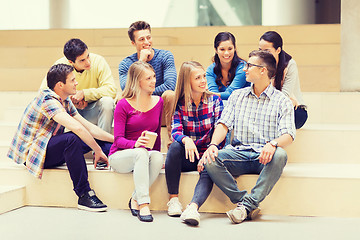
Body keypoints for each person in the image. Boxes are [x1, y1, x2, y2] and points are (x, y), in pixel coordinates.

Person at [200, 50, 296, 224]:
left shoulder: (282, 101)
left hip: (265, 156)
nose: (245, 69)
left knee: (280, 155)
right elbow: (223, 124)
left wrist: (273, 144)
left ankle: (245, 206)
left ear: (263, 70)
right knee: (211, 158)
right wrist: (213, 144)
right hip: (239, 153)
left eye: (249, 65)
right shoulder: (237, 96)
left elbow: (288, 135)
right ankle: (246, 204)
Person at [8, 64, 114, 212]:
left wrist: (119, 141)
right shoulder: (47, 100)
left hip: (48, 146)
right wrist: (97, 151)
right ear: (60, 85)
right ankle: (84, 194)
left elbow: (89, 128)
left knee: (88, 136)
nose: (76, 83)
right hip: (35, 154)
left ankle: (121, 153)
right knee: (72, 139)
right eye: (72, 80)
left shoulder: (64, 99)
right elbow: (77, 128)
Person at [165, 61, 223, 226]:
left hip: (208, 154)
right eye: (197, 78)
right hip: (189, 156)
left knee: (211, 163)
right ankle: (173, 200)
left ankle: (193, 208)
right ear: (187, 82)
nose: (203, 80)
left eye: (204, 76)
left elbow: (221, 130)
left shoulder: (215, 100)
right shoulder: (180, 104)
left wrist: (210, 150)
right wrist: (186, 139)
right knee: (175, 147)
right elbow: (175, 131)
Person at [109, 61, 164, 222]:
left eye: (153, 77)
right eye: (148, 78)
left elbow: (158, 134)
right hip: (120, 156)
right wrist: (135, 144)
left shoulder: (158, 102)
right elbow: (118, 140)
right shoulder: (123, 104)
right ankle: (144, 203)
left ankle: (135, 199)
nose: (153, 81)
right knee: (141, 153)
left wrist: (156, 153)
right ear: (137, 81)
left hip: (144, 155)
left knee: (158, 157)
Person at [40, 38, 117, 133]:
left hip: (92, 111)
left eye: (88, 56)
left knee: (108, 102)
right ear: (70, 62)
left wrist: (85, 94)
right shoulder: (60, 66)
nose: (88, 62)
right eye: (82, 60)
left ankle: (104, 142)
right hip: (69, 113)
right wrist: (70, 101)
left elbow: (111, 90)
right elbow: (44, 92)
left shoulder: (99, 61)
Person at [119, 21, 177, 144]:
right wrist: (141, 62)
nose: (147, 42)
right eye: (141, 39)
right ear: (133, 43)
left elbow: (170, 85)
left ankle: (172, 142)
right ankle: (124, 144)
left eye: (149, 37)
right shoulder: (126, 64)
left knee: (170, 95)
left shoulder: (165, 56)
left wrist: (146, 93)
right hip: (138, 111)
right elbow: (127, 90)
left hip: (160, 111)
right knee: (120, 97)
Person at [259, 31, 308, 129]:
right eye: (260, 50)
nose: (263, 54)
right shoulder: (258, 63)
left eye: (267, 51)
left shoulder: (290, 64)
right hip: (266, 107)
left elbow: (285, 95)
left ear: (278, 50)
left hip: (293, 109)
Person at [206, 32, 250, 101]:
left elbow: (232, 94)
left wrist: (210, 94)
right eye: (222, 49)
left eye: (230, 49)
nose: (226, 53)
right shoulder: (210, 70)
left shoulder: (243, 68)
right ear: (216, 50)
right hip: (220, 107)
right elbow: (214, 97)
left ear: (234, 48)